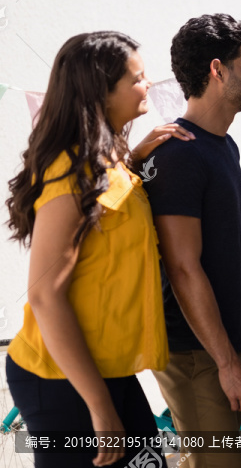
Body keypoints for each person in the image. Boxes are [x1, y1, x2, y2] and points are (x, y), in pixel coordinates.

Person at [4, 31, 193, 467]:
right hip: (61, 378)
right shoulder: (71, 171)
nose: (149, 86)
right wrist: (100, 407)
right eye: (138, 79)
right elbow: (44, 294)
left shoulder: (105, 161)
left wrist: (133, 162)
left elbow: (106, 219)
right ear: (100, 94)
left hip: (108, 370)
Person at [143, 14, 241, 467]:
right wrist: (227, 364)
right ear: (218, 70)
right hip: (197, 357)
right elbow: (183, 267)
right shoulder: (182, 155)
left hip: (224, 346)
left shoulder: (220, 145)